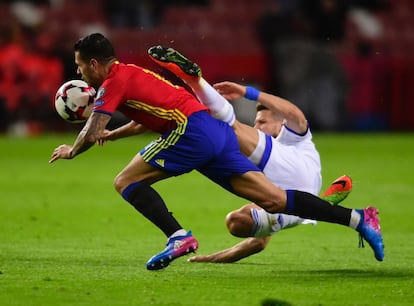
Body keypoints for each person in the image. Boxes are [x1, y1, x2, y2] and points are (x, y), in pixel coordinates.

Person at [49, 34, 384, 272]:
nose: (80, 73)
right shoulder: (135, 74)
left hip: (189, 132)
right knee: (275, 200)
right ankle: (358, 219)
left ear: (94, 63)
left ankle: (178, 237)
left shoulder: (111, 84)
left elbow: (90, 131)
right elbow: (146, 119)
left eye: (80, 67)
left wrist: (71, 151)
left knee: (125, 181)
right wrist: (116, 134)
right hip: (214, 132)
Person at [147, 46, 353, 263]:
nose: (257, 127)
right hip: (294, 201)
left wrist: (248, 92)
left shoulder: (294, 137)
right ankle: (320, 207)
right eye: (256, 122)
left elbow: (295, 115)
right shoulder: (266, 159)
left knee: (228, 131)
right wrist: (211, 259)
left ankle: (194, 82)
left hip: (297, 187)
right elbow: (258, 243)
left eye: (262, 122)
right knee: (239, 221)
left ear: (280, 123)